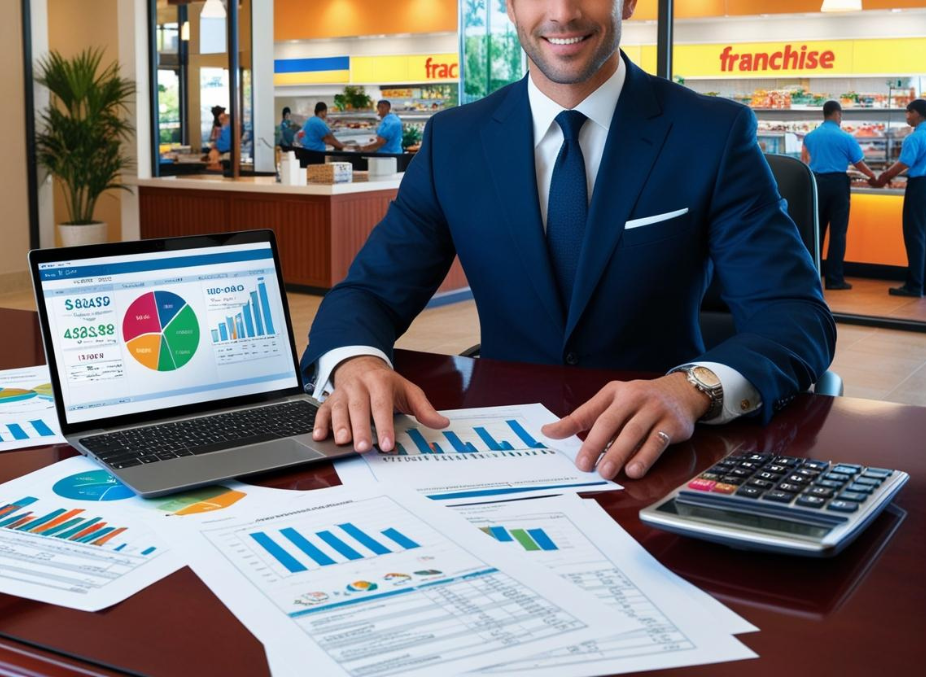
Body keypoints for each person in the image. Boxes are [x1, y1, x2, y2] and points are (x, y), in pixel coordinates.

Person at [301, 0, 834, 482]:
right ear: (508, 5)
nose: (562, 12)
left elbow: (794, 316)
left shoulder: (711, 134)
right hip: (503, 454)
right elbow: (367, 292)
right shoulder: (454, 141)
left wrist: (693, 389)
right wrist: (355, 362)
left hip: (659, 455)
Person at [801, 100, 878, 290]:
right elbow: (859, 163)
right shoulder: (846, 138)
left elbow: (804, 161)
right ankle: (835, 279)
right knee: (838, 233)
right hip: (837, 186)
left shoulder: (810, 137)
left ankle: (812, 278)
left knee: (815, 231)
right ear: (838, 114)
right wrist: (873, 177)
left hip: (816, 184)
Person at [871, 98, 926, 298]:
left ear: (917, 113)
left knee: (915, 236)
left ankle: (914, 285)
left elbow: (904, 163)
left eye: (908, 112)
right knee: (924, 235)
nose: (906, 116)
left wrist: (883, 178)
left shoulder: (914, 137)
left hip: (920, 187)